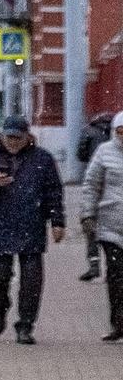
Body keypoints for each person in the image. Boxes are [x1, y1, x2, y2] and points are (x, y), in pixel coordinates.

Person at [0, 116, 65, 343]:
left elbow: (53, 192)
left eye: (17, 137)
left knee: (32, 282)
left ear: (27, 137)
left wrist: (57, 221)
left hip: (32, 226)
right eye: (8, 136)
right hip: (0, 226)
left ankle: (25, 325)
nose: (12, 141)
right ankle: (1, 306)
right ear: (2, 135)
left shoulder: (42, 159)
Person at [83, 125, 123, 341]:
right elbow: (91, 185)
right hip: (111, 227)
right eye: (121, 131)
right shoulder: (105, 152)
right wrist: (87, 214)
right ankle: (118, 323)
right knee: (116, 275)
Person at [79, 113, 116, 283]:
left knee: (91, 227)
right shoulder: (114, 132)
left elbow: (80, 154)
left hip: (97, 182)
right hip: (113, 188)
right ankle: (113, 268)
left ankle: (94, 265)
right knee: (113, 231)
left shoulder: (89, 130)